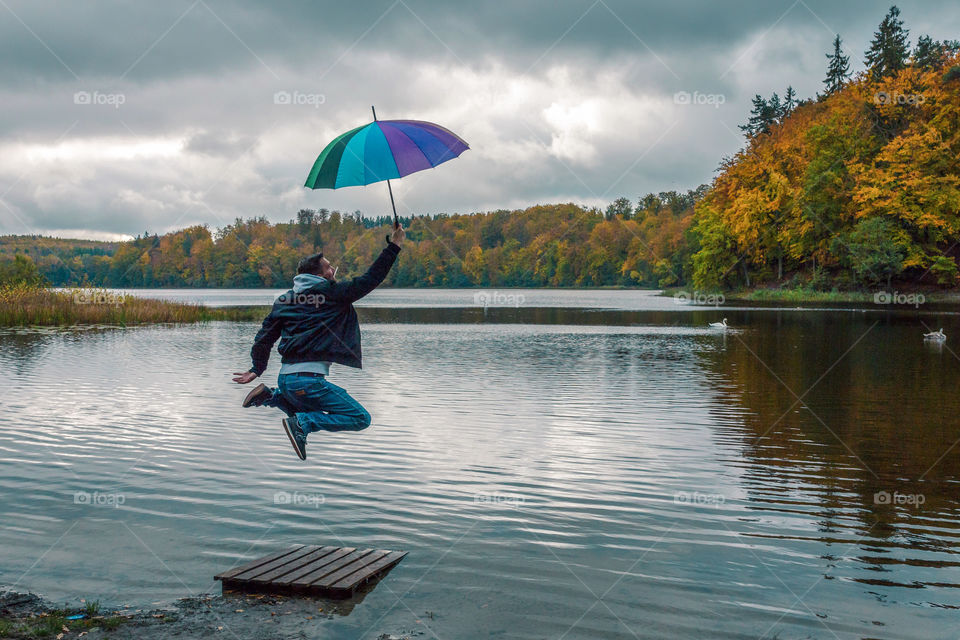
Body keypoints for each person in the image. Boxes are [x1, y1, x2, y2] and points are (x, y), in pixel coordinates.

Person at [232, 224, 405, 460]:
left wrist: (257, 368)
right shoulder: (331, 294)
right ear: (317, 274)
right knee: (360, 418)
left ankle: (271, 397)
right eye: (329, 267)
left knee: (307, 407)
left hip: (287, 380)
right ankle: (304, 423)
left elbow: (265, 336)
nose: (333, 270)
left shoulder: (286, 299)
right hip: (308, 382)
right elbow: (370, 279)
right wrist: (394, 246)